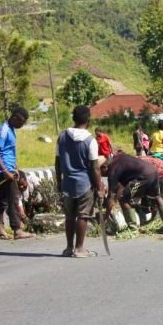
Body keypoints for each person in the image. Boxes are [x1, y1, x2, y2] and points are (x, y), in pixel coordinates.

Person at [55, 105, 104, 257]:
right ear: (88, 120)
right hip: (85, 184)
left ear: (73, 119)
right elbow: (95, 168)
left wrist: (59, 182)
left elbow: (57, 162)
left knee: (69, 216)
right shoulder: (90, 141)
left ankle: (69, 247)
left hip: (67, 183)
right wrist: (100, 187)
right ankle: (79, 248)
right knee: (83, 215)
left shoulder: (62, 137)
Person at [101, 152, 163, 234]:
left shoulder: (112, 169)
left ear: (104, 167)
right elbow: (120, 188)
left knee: (123, 199)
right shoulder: (119, 159)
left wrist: (105, 218)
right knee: (156, 197)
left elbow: (111, 196)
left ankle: (133, 229)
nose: (103, 176)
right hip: (153, 171)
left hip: (143, 176)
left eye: (100, 172)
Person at [0, 107, 34, 239]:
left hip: (9, 169)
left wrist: (15, 168)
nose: (22, 124)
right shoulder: (4, 130)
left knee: (2, 200)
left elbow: (8, 151)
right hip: (4, 171)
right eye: (21, 121)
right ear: (14, 117)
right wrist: (5, 171)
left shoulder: (10, 129)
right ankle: (17, 229)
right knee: (14, 198)